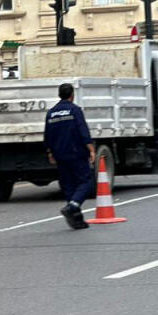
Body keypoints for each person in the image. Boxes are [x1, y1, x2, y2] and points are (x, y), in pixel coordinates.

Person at [44, 83, 96, 230]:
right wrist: (91, 149)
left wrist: (49, 152)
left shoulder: (51, 113)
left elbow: (47, 135)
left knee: (68, 186)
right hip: (76, 153)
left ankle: (77, 220)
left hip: (60, 155)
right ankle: (72, 207)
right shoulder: (75, 110)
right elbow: (83, 131)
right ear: (72, 95)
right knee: (86, 182)